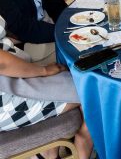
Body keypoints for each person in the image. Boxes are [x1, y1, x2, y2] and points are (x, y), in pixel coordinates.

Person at [0, 15, 93, 158]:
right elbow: (2, 63)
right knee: (90, 90)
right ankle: (82, 150)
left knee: (69, 77)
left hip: (10, 78)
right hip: (5, 97)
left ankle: (49, 154)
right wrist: (43, 71)